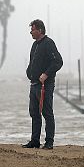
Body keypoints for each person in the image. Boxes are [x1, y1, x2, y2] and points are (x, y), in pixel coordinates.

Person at [23, 19, 63, 149]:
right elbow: (32, 62)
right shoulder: (35, 45)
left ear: (40, 30)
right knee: (34, 113)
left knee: (47, 112)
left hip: (45, 85)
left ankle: (49, 142)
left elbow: (58, 62)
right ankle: (35, 141)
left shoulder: (49, 43)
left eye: (33, 29)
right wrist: (29, 72)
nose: (31, 32)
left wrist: (46, 74)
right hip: (34, 84)